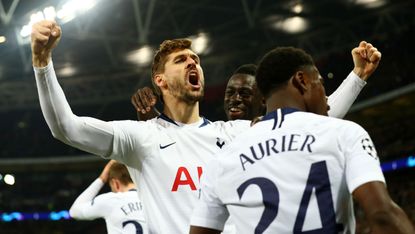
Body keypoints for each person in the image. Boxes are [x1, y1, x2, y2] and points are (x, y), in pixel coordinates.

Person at [31, 19, 382, 233]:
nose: (192, 62)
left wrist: (357, 77)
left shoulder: (233, 134)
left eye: (195, 59)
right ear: (160, 80)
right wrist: (42, 62)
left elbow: (311, 125)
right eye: (181, 60)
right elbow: (67, 127)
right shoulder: (140, 138)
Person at [189, 47, 414, 234]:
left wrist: (357, 76)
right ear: (302, 80)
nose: (325, 102)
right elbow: (383, 216)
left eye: (244, 93)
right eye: (321, 85)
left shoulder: (222, 159)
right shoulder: (342, 133)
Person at [69, 160, 147, 234]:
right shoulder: (153, 198)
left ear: (115, 183)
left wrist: (101, 179)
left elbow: (74, 212)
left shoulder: (111, 200)